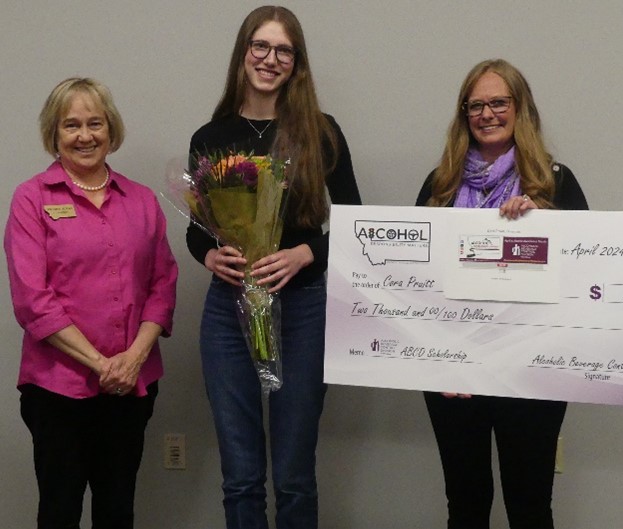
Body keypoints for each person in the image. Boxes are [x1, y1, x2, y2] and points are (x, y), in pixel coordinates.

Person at [186, 6, 361, 529]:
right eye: (260, 47)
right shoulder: (210, 136)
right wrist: (209, 255)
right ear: (244, 54)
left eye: (283, 50)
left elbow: (356, 221)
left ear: (297, 63)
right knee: (239, 477)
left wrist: (307, 253)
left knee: (293, 476)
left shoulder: (321, 133)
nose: (270, 59)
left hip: (304, 307)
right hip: (228, 310)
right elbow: (197, 229)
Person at [416, 59, 588, 529]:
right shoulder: (439, 187)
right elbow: (414, 283)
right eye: (475, 105)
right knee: (465, 505)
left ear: (520, 109)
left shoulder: (554, 182)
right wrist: (433, 359)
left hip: (532, 372)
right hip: (454, 374)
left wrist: (544, 224)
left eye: (498, 102)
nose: (486, 113)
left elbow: (589, 275)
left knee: (530, 507)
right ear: (464, 114)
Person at [4, 77, 178, 529]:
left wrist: (133, 358)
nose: (85, 136)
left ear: (111, 128)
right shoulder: (31, 199)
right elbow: (32, 300)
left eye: (95, 123)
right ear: (54, 133)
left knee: (118, 509)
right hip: (57, 388)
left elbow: (163, 283)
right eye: (71, 125)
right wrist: (103, 364)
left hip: (133, 385)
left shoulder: (140, 200)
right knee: (59, 510)